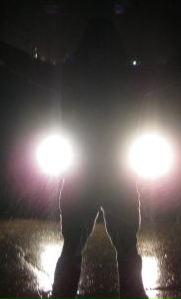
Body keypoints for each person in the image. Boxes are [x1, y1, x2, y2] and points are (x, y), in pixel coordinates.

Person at [51, 18, 148, 298]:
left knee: (72, 247)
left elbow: (29, 67)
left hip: (82, 175)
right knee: (127, 248)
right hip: (118, 175)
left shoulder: (70, 77)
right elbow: (172, 70)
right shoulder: (130, 78)